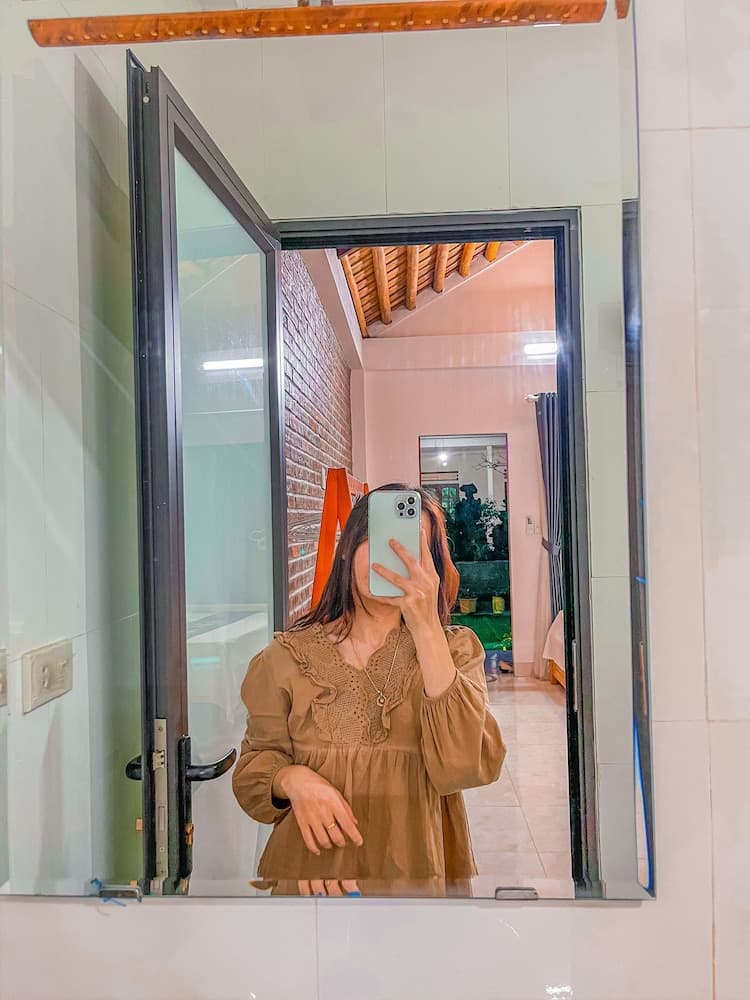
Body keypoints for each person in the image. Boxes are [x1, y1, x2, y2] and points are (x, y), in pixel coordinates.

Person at [232, 484, 505, 897]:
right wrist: (291, 779)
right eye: (378, 540)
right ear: (347, 550)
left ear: (432, 568)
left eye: (410, 548)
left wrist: (426, 627)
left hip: (415, 881)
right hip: (312, 880)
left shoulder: (454, 652)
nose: (392, 557)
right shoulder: (285, 659)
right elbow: (252, 772)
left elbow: (464, 767)